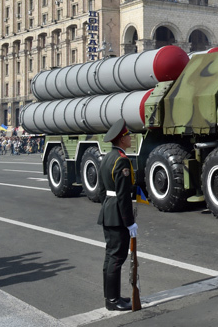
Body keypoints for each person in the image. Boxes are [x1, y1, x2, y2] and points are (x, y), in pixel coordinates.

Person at [97, 119, 138, 311]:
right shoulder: (121, 160)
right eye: (128, 135)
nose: (131, 138)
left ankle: (111, 297)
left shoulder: (107, 157)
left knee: (110, 258)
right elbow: (123, 196)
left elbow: (101, 190)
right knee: (116, 258)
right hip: (117, 214)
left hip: (108, 211)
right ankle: (113, 301)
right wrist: (129, 222)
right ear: (122, 139)